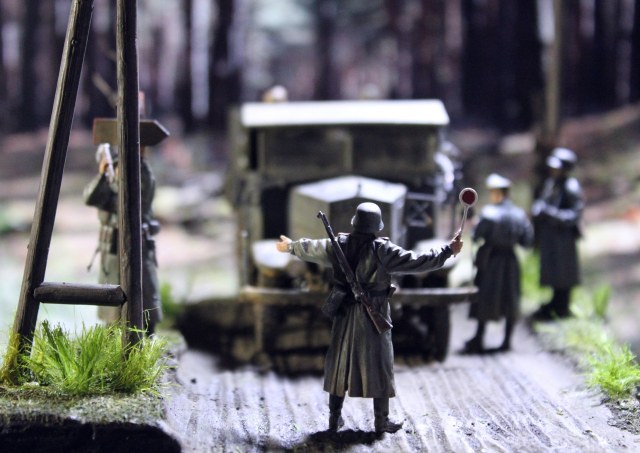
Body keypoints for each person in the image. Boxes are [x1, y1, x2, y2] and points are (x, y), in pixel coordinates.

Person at [276, 202, 463, 434]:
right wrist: (447, 251)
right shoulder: (383, 250)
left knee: (339, 364)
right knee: (380, 364)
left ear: (355, 223)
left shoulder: (339, 244)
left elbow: (312, 248)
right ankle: (380, 422)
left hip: (345, 311)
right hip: (374, 309)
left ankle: (334, 420)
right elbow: (418, 261)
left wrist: (291, 246)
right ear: (377, 226)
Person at [84, 143, 162, 335]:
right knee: (110, 294)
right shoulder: (108, 180)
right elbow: (90, 198)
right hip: (111, 247)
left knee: (143, 290)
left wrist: (119, 178)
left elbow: (136, 198)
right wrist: (104, 175)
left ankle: (146, 332)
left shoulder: (141, 172)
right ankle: (112, 332)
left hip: (136, 244)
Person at [462, 174, 533, 354]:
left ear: (497, 193)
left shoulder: (489, 213)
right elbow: (526, 241)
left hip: (491, 260)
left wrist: (475, 226)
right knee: (510, 298)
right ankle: (506, 340)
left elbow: (477, 236)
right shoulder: (519, 214)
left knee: (485, 296)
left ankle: (479, 337)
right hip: (510, 260)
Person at [531, 147, 584, 320]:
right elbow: (543, 201)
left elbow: (574, 215)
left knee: (563, 274)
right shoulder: (552, 184)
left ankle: (562, 306)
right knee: (554, 273)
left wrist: (550, 214)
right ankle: (554, 303)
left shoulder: (571, 187)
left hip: (563, 238)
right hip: (551, 238)